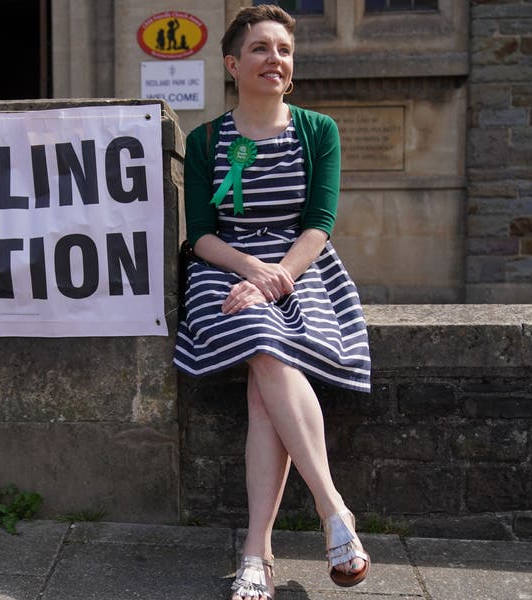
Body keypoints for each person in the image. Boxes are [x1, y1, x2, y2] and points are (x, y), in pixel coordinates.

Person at [172, 5, 371, 600]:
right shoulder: (207, 139)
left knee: (266, 379)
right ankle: (333, 510)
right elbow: (201, 231)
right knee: (262, 342)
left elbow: (320, 222)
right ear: (233, 64)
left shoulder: (318, 131)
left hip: (300, 268)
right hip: (225, 268)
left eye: (283, 50)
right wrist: (250, 270)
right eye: (260, 49)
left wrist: (277, 275)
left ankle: (257, 550)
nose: (274, 59)